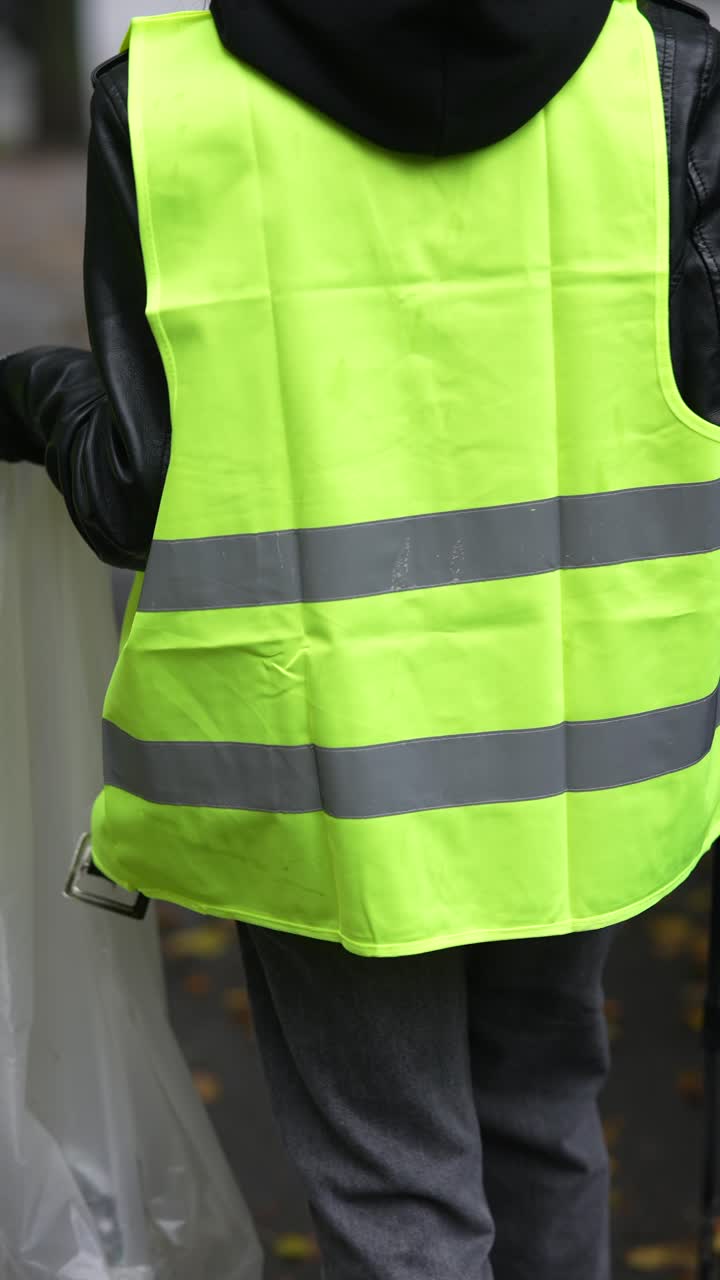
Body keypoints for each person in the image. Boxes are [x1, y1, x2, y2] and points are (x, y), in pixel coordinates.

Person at [1, 1, 719, 1276]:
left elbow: (132, 489)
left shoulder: (167, 98)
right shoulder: (658, 71)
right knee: (548, 1117)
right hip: (582, 752)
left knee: (396, 1176)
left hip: (321, 772)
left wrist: (26, 389)